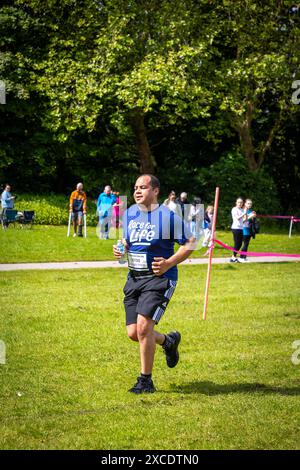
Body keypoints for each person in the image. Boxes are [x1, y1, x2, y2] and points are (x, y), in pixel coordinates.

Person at [113, 174, 195, 394]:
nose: (138, 191)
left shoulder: (167, 217)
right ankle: (168, 342)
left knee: (143, 327)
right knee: (133, 332)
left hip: (159, 279)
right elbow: (127, 241)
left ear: (156, 191)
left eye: (143, 187)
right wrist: (121, 249)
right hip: (134, 278)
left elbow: (191, 243)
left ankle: (145, 381)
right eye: (135, 188)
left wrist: (168, 263)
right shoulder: (130, 214)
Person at [230, 197, 245, 262]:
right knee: (237, 243)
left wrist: (251, 215)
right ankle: (233, 257)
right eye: (238, 202)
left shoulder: (242, 210)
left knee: (240, 244)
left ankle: (234, 257)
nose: (240, 203)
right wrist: (244, 213)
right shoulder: (234, 209)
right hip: (235, 228)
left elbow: (243, 220)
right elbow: (238, 218)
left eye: (241, 202)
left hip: (241, 228)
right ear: (236, 203)